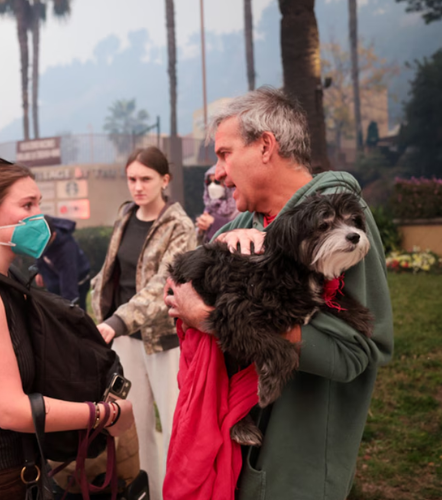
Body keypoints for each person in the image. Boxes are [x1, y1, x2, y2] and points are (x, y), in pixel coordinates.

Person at [163, 87, 394, 500]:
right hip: (236, 460)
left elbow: (362, 351)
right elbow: (175, 289)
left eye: (225, 153)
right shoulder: (239, 226)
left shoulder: (341, 219)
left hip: (294, 471)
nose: (217, 172)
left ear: (266, 146)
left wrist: (215, 320)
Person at [0, 156, 134, 499]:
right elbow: (10, 410)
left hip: (11, 473)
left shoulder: (1, 280)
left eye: (39, 204)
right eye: (26, 204)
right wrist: (104, 414)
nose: (38, 216)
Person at [90, 146, 197, 500]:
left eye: (146, 179)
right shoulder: (126, 215)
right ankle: (146, 492)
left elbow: (162, 286)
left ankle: (178, 493)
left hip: (166, 341)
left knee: (173, 422)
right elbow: (113, 273)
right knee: (131, 426)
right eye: (132, 179)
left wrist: (115, 322)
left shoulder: (181, 226)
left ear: (165, 180)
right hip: (122, 337)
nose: (137, 186)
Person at [35, 215, 91, 310]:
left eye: (45, 242)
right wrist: (39, 270)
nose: (42, 245)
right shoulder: (42, 235)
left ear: (53, 235)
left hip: (78, 282)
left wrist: (70, 309)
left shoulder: (66, 250)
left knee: (74, 312)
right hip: (55, 276)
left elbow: (69, 286)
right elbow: (39, 252)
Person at [195, 165, 238, 244]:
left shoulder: (239, 207)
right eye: (209, 182)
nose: (212, 186)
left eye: (217, 182)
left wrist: (214, 223)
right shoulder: (209, 207)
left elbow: (238, 230)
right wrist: (201, 231)